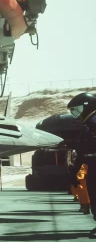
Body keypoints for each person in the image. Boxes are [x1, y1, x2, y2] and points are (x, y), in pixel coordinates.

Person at [67, 92, 96, 238]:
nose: (76, 114)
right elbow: (84, 151)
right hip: (92, 164)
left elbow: (86, 149)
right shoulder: (88, 124)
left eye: (77, 109)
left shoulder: (93, 123)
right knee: (93, 195)